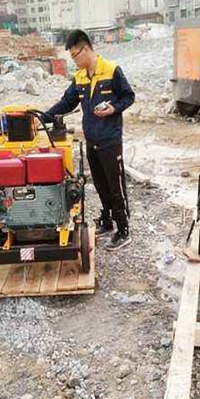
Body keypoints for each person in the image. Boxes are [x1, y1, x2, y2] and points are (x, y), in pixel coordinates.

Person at [43, 30, 135, 251]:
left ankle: (123, 230)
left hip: (110, 141)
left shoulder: (111, 71)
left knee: (115, 186)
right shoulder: (80, 77)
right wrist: (41, 117)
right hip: (91, 141)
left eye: (75, 55)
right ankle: (107, 221)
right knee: (101, 184)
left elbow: (128, 96)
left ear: (86, 49)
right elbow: (66, 103)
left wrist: (114, 108)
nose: (73, 60)